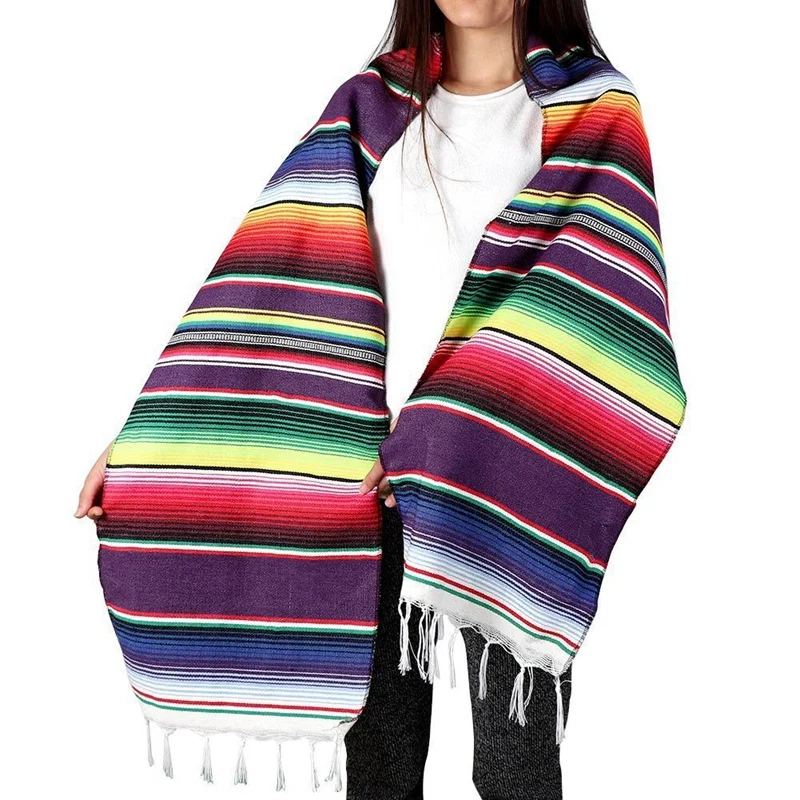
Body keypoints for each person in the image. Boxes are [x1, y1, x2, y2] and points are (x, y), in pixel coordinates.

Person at [77, 2, 619, 798]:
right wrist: (148, 446)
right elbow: (266, 290)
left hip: (507, 481)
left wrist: (436, 433)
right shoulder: (371, 107)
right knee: (380, 770)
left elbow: (589, 313)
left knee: (515, 770)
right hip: (364, 484)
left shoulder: (593, 112)